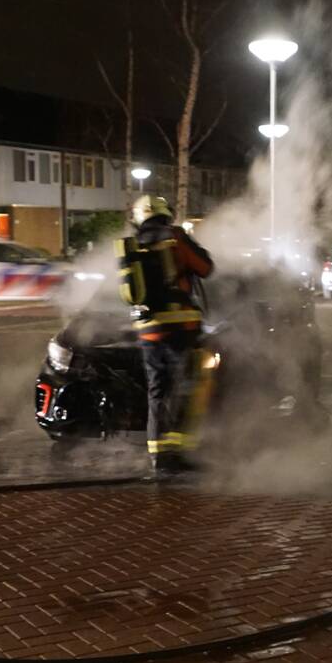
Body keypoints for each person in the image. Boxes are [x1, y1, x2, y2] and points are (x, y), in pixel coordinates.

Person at [116, 195, 214, 472]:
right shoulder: (175, 238)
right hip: (180, 328)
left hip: (149, 331)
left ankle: (159, 454)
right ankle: (181, 453)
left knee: (158, 391)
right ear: (164, 214)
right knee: (184, 389)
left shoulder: (134, 245)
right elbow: (205, 268)